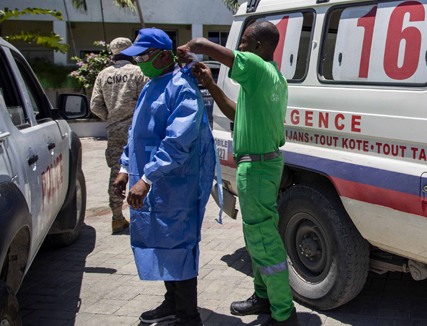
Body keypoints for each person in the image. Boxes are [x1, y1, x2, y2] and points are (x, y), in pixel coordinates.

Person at [177, 21, 297, 326]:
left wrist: (194, 48)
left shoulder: (255, 66)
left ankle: (284, 314)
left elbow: (207, 47)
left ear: (258, 47)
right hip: (262, 165)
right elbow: (236, 113)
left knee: (264, 239)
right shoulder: (272, 78)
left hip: (256, 167)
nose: (239, 47)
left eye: (243, 42)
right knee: (257, 235)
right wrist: (210, 84)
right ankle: (264, 296)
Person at [113, 28, 216, 326]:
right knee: (160, 244)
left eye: (144, 55)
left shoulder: (182, 88)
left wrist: (147, 178)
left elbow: (177, 142)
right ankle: (171, 303)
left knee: (178, 246)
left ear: (161, 55)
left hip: (174, 185)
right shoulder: (151, 85)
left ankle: (188, 315)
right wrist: (124, 169)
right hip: (150, 184)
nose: (140, 61)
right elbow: (137, 135)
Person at [90, 37, 148, 234]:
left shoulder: (102, 75)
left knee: (117, 173)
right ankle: (142, 215)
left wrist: (112, 118)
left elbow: (95, 105)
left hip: (114, 130)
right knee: (143, 172)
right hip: (138, 129)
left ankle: (116, 217)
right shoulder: (139, 73)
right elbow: (148, 101)